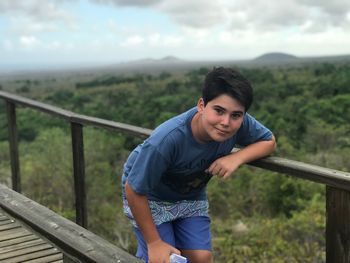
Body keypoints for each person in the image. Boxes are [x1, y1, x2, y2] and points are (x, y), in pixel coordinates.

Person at [121, 67, 276, 263]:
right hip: (149, 197)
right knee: (167, 259)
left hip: (189, 196)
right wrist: (153, 243)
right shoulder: (167, 140)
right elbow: (134, 190)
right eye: (218, 111)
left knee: (201, 258)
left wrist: (236, 157)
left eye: (236, 115)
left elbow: (269, 141)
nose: (226, 122)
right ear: (201, 105)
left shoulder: (239, 123)